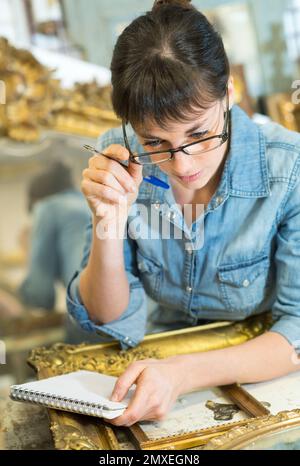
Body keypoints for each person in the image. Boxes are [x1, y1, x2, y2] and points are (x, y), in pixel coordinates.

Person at [66, 0, 300, 426]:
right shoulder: (119, 161)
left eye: (200, 133)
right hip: (152, 374)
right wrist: (108, 221)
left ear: (229, 93)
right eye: (155, 142)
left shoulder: (289, 169)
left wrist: (183, 374)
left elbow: (298, 331)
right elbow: (107, 317)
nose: (185, 165)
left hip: (264, 374)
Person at [19, 161, 98, 343]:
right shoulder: (87, 203)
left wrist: (27, 248)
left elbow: (40, 296)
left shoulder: (48, 207)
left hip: (92, 322)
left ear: (35, 200)